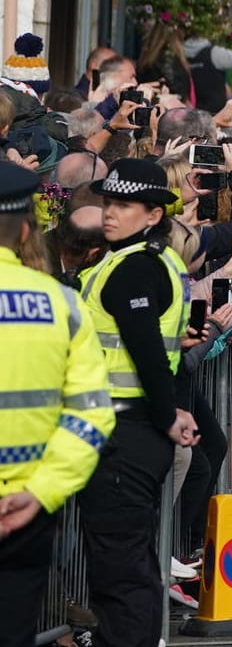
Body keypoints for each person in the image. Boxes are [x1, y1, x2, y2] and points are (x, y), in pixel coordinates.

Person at [77, 158, 199, 645]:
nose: (109, 213)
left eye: (123, 205)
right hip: (129, 427)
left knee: (120, 570)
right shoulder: (145, 260)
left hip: (124, 430)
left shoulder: (134, 269)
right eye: (107, 202)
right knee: (129, 564)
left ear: (152, 215)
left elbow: (146, 347)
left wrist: (168, 413)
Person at [0, 164, 116, 646]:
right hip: (26, 507)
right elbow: (91, 412)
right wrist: (43, 491)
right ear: (27, 228)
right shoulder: (61, 303)